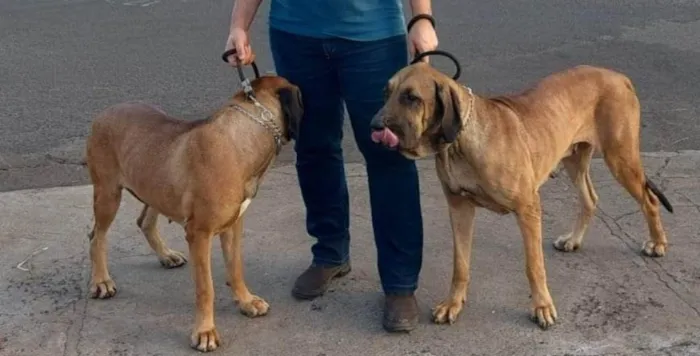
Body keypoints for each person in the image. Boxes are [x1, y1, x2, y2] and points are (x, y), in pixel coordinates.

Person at [224, 0, 438, 332]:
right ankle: (330, 252)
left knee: (389, 154)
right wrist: (239, 25)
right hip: (296, 35)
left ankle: (400, 283)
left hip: (373, 38)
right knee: (314, 148)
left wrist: (422, 18)